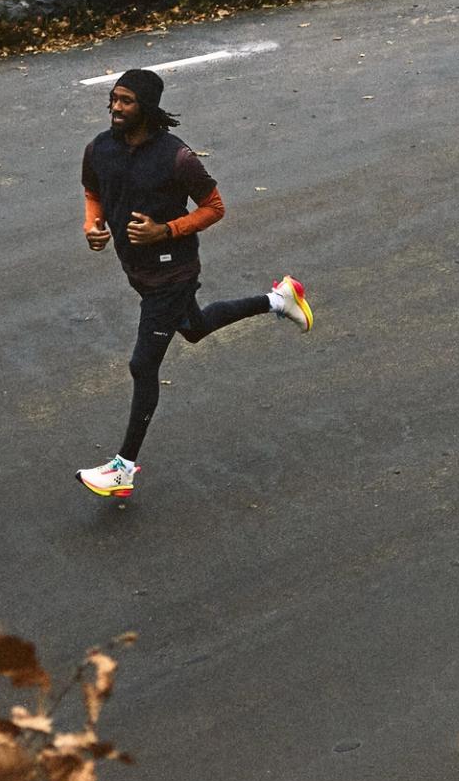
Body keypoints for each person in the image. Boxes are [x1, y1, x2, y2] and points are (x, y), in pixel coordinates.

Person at [75, 66, 311, 501]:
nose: (115, 107)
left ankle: (122, 468)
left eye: (125, 101)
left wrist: (165, 231)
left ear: (145, 107)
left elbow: (214, 207)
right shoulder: (99, 149)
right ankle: (279, 299)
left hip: (173, 272)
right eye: (113, 98)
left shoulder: (177, 157)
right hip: (139, 272)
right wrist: (93, 226)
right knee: (195, 327)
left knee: (143, 366)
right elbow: (93, 192)